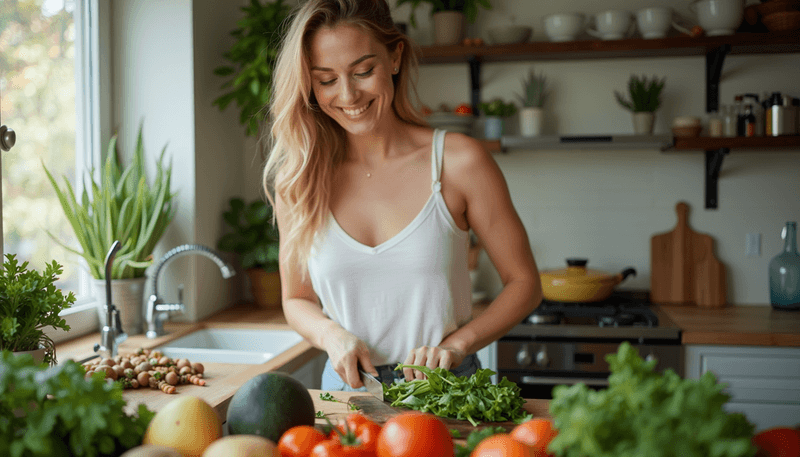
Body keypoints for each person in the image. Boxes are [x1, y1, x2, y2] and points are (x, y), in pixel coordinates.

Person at [263, 0, 542, 391]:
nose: (348, 95)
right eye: (326, 80)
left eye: (363, 71)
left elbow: (524, 283)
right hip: (348, 391)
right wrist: (331, 335)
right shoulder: (299, 179)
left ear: (394, 58)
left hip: (447, 387)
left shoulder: (459, 162)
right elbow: (296, 299)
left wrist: (458, 344)